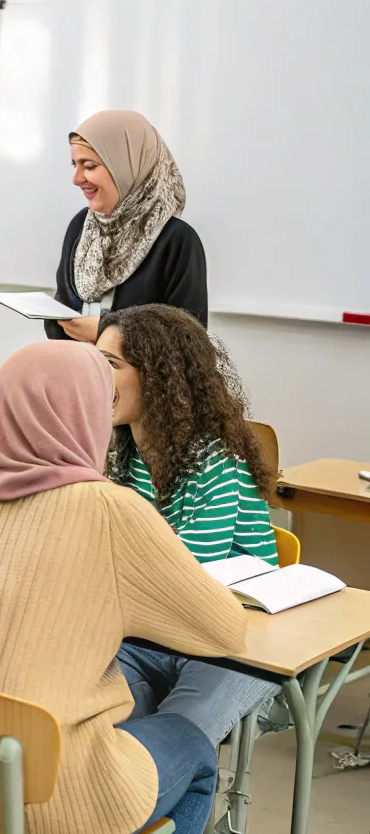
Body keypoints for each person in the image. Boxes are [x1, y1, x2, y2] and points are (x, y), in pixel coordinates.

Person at [0, 342, 248, 834]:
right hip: (53, 822)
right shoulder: (107, 507)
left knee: (109, 703)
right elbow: (224, 632)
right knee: (194, 749)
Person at [96, 304, 279, 745]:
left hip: (232, 640)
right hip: (149, 633)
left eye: (111, 364)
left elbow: (185, 577)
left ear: (160, 377)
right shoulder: (120, 452)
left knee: (178, 740)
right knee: (90, 720)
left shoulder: (215, 460)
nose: (94, 376)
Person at [44, 109, 206, 344]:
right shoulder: (81, 226)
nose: (76, 178)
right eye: (74, 165)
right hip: (77, 365)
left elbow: (189, 342)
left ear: (125, 165)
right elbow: (63, 310)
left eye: (89, 166)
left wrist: (108, 332)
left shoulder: (177, 240)